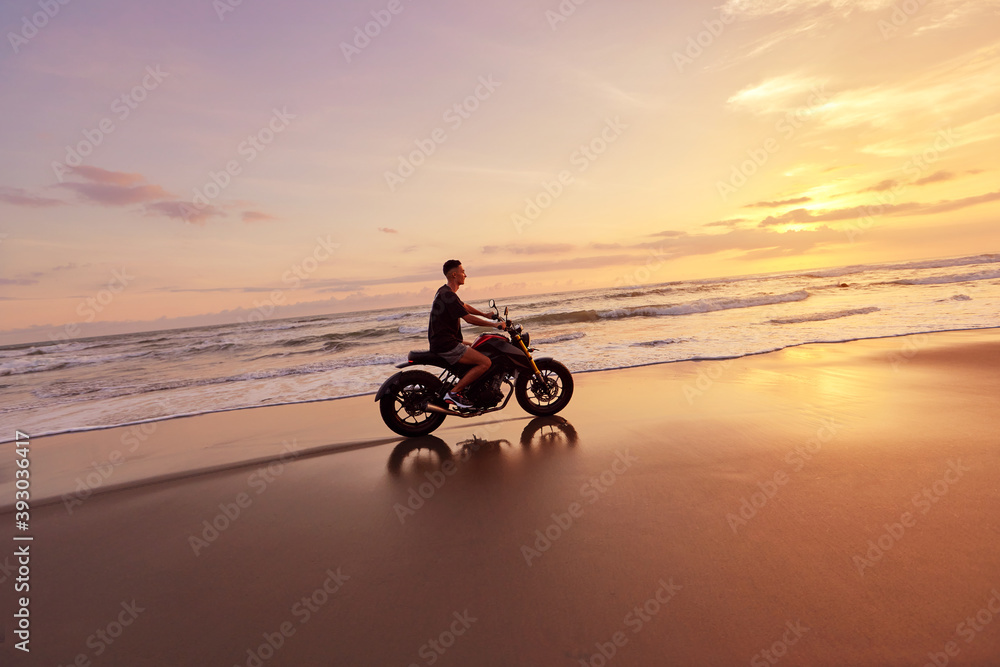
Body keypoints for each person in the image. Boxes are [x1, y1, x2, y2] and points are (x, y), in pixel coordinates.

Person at [429, 259, 505, 409]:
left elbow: (465, 307)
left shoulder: (445, 292)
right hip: (446, 344)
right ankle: (455, 393)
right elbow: (468, 318)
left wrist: (485, 314)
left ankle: (471, 388)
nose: (466, 275)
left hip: (445, 340)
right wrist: (494, 325)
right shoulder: (448, 295)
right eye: (463, 272)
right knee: (485, 362)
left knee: (477, 346)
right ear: (454, 274)